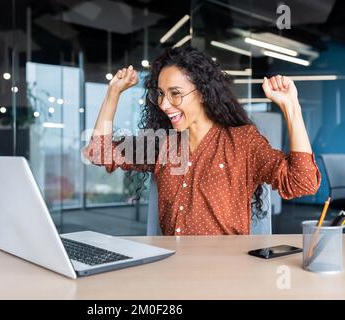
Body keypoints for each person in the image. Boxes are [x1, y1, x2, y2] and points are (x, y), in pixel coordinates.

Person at [83, 46, 321, 235]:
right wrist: (113, 93)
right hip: (173, 271)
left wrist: (291, 108)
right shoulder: (163, 145)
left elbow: (303, 182)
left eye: (175, 93)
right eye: (161, 94)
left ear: (203, 92)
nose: (165, 104)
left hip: (225, 277)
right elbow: (97, 152)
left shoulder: (242, 142)